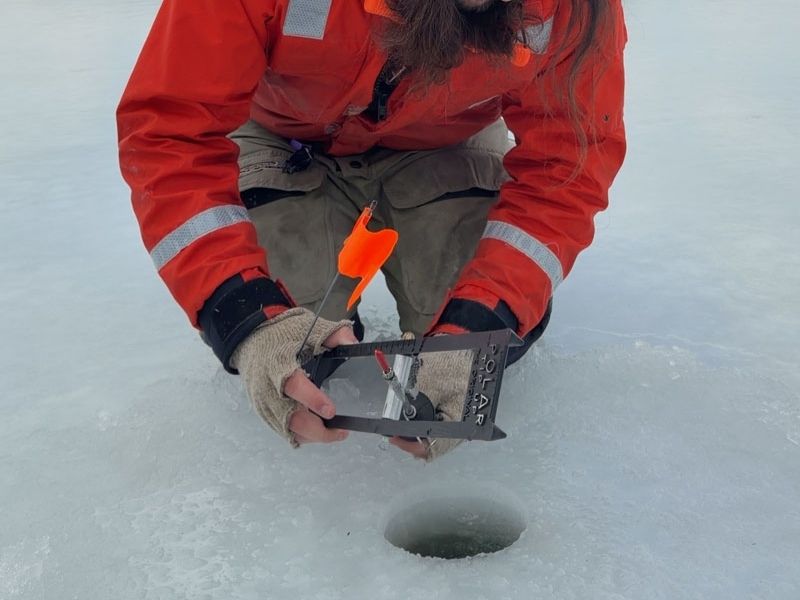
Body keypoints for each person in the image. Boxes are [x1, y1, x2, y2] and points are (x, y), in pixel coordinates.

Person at [117, 0, 627, 461]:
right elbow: (171, 135)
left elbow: (567, 166)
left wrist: (489, 311)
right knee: (297, 334)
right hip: (282, 137)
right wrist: (245, 317)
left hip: (446, 145)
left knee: (463, 328)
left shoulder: (577, 9)